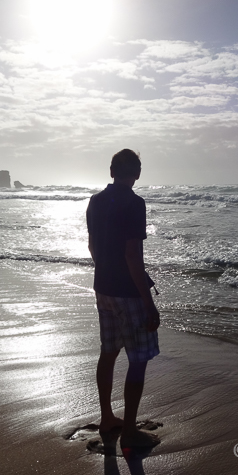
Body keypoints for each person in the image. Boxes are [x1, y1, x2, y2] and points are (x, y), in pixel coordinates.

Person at [86, 148, 161, 448]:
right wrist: (148, 301)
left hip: (102, 287)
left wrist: (105, 272)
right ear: (138, 173)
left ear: (111, 171)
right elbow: (132, 256)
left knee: (108, 352)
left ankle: (107, 417)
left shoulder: (95, 201)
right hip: (128, 292)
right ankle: (129, 430)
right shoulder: (134, 203)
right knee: (138, 359)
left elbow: (92, 246)